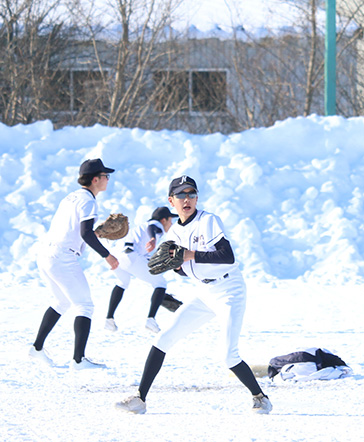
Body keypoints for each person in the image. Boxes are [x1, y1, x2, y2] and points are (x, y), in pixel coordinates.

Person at [115, 175, 272, 414]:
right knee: (163, 339)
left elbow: (226, 256)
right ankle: (140, 399)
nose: (186, 199)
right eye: (181, 194)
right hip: (204, 292)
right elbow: (183, 268)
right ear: (171, 201)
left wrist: (188, 255)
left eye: (191, 194)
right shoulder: (175, 232)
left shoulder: (208, 220)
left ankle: (260, 397)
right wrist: (177, 266)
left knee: (228, 355)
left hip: (229, 290)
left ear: (196, 198)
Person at [29, 158, 119, 369]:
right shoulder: (88, 201)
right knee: (85, 305)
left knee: (62, 301)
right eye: (105, 175)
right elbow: (85, 233)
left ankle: (37, 348)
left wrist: (96, 234)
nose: (108, 178)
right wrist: (107, 255)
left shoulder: (71, 197)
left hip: (45, 253)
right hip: (61, 257)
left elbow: (78, 232)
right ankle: (79, 360)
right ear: (95, 179)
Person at [104, 206, 178, 334]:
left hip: (117, 255)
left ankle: (109, 320)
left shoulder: (140, 229)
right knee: (160, 283)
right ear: (164, 220)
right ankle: (151, 320)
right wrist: (153, 238)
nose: (171, 224)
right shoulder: (155, 226)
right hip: (130, 256)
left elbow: (146, 263)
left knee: (123, 282)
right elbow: (153, 228)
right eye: (171, 220)